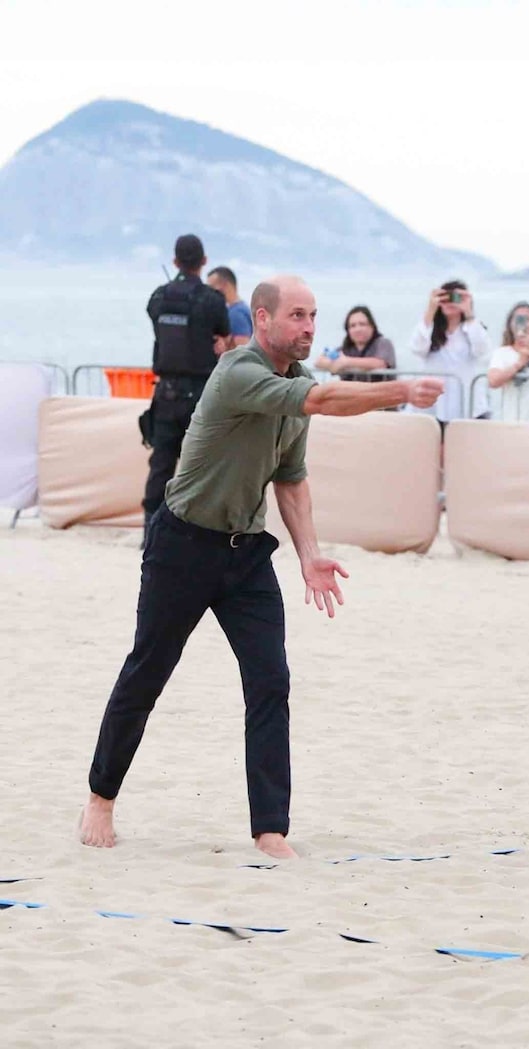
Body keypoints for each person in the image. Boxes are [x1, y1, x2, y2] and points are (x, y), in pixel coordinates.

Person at [79, 275, 443, 859]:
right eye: (297, 315)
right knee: (148, 671)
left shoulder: (298, 382)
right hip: (183, 546)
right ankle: (100, 798)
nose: (308, 326)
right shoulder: (238, 373)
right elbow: (321, 401)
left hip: (245, 553)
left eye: (314, 316)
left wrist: (310, 555)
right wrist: (398, 389)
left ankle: (270, 829)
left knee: (271, 681)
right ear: (263, 319)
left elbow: (291, 478)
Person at [142, 235, 230, 541]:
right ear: (204, 262)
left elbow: (157, 325)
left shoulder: (157, 298)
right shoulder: (212, 299)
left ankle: (151, 532)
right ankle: (199, 533)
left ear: (175, 261)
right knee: (203, 466)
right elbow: (222, 331)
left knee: (161, 466)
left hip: (165, 393)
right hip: (201, 394)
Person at [408, 280, 491, 432]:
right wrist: (430, 310)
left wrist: (469, 312)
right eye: (445, 298)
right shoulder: (429, 329)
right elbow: (417, 348)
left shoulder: (473, 328)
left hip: (465, 400)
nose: (450, 303)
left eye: (456, 298)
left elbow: (482, 350)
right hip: (434, 401)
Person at [313, 305, 396, 381]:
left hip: (380, 394)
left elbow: (380, 364)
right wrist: (335, 364)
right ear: (348, 330)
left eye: (362, 324)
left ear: (372, 327)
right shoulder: (346, 349)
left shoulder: (383, 343)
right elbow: (319, 362)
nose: (358, 329)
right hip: (351, 395)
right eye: (353, 326)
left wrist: (346, 363)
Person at [207, 266, 254, 349]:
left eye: (212, 289)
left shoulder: (236, 314)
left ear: (225, 286)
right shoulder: (241, 309)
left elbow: (242, 351)